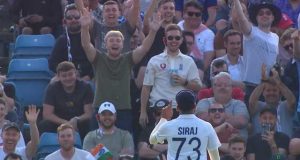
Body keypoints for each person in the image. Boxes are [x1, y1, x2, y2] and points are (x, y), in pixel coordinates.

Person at [80, 4, 162, 132]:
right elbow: (86, 44)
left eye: (118, 40)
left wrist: (153, 31)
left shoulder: (128, 59)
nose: (114, 42)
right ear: (105, 44)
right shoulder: (98, 58)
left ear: (123, 44)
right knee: (97, 147)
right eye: (111, 40)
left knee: (125, 147)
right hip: (100, 108)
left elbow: (144, 48)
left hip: (123, 109)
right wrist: (84, 28)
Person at [139, 24, 202, 128]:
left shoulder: (188, 61)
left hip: (180, 110)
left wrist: (184, 82)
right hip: (158, 108)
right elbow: (146, 87)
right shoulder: (154, 60)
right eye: (170, 38)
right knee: (155, 142)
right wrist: (143, 112)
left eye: (177, 38)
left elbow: (198, 86)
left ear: (181, 40)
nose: (174, 40)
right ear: (165, 40)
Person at [232, 0, 282, 105]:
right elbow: (241, 19)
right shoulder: (251, 32)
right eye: (261, 13)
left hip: (270, 86)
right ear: (256, 17)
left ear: (273, 17)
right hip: (252, 85)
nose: (264, 15)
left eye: (268, 13)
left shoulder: (276, 37)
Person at [149, 90, 221, 160]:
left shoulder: (169, 126)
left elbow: (152, 140)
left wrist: (163, 119)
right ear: (195, 107)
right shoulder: (206, 126)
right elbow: (215, 157)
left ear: (177, 108)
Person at [40, 61, 94, 139]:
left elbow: (88, 113)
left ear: (75, 73)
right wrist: (66, 123)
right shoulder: (52, 88)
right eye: (64, 76)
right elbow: (47, 114)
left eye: (70, 74)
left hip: (79, 121)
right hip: (59, 121)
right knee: (44, 124)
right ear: (58, 76)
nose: (68, 78)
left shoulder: (86, 87)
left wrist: (76, 119)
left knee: (89, 123)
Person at [196, 72, 249, 139]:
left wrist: (214, 118)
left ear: (232, 88)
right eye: (219, 85)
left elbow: (241, 122)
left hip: (235, 147)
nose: (222, 87)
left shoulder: (239, 104)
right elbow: (202, 120)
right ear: (213, 87)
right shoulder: (204, 102)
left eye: (226, 85)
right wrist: (228, 120)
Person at [48, 3, 93, 80]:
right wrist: (65, 72)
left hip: (86, 76)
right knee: (53, 82)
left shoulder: (89, 37)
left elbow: (95, 61)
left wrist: (87, 75)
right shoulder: (61, 40)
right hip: (66, 76)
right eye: (69, 18)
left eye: (76, 17)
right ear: (65, 21)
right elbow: (52, 63)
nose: (73, 20)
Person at [249, 65, 296, 137]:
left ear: (280, 94)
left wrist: (279, 83)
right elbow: (251, 103)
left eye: (274, 90)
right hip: (260, 144)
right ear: (263, 93)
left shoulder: (285, 106)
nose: (271, 93)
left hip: (284, 145)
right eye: (268, 90)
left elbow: (292, 101)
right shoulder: (259, 106)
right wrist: (263, 82)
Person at [177, 0, 215, 70]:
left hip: (198, 71)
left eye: (197, 14)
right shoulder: (176, 29)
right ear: (183, 14)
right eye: (190, 14)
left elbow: (207, 61)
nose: (194, 17)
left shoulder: (209, 34)